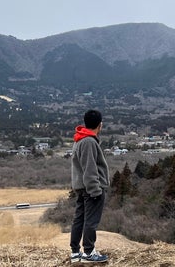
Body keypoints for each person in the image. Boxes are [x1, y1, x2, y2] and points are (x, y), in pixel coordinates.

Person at [69, 110, 110, 263]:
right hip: (90, 188)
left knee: (79, 219)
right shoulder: (89, 142)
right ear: (100, 125)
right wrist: (95, 190)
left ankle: (75, 252)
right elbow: (90, 168)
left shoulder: (80, 139)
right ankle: (89, 252)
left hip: (81, 187)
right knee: (91, 221)